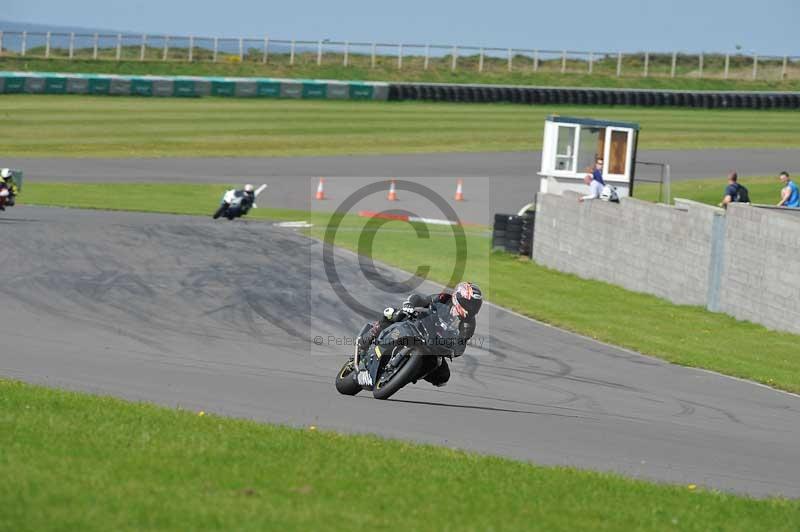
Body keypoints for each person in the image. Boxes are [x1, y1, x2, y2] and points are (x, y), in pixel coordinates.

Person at [357, 281, 483, 387]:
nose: (471, 308)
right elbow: (421, 299)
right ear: (458, 296)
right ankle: (365, 343)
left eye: (475, 306)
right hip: (418, 324)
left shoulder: (468, 324)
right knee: (393, 314)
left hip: (434, 345)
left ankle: (406, 373)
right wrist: (410, 305)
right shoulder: (444, 299)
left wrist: (452, 351)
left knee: (443, 377)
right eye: (469, 304)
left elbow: (461, 345)